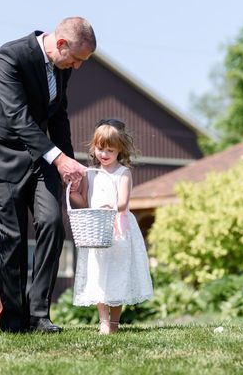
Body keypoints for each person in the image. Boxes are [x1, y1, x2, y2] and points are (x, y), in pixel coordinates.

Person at [0, 16, 96, 333]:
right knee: (12, 238)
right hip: (3, 155)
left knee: (52, 224)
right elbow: (18, 117)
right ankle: (13, 318)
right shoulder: (10, 56)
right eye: (77, 59)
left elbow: (60, 117)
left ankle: (39, 315)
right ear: (61, 44)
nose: (78, 67)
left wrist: (68, 163)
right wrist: (59, 160)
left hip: (40, 157)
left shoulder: (62, 67)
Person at [69, 118, 153, 334]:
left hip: (118, 230)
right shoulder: (90, 173)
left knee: (116, 275)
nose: (104, 154)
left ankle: (114, 322)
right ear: (93, 148)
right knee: (98, 274)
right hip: (97, 230)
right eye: (100, 149)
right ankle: (103, 321)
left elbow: (124, 202)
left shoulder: (122, 173)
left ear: (119, 151)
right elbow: (85, 201)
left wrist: (111, 206)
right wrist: (73, 194)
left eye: (110, 150)